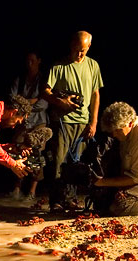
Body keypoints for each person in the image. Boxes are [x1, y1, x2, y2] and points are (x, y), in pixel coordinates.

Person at [42, 31, 103, 211]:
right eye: (76, 50)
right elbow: (45, 91)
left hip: (83, 122)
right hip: (63, 121)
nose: (79, 54)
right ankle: (57, 201)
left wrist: (93, 122)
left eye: (83, 51)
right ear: (71, 45)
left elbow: (95, 95)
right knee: (59, 161)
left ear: (89, 47)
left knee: (77, 163)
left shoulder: (93, 66)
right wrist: (60, 102)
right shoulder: (58, 66)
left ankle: (71, 198)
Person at [9, 51, 49, 201]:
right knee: (18, 151)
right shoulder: (20, 79)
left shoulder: (44, 80)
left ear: (39, 61)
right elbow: (13, 100)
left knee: (37, 154)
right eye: (28, 61)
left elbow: (44, 103)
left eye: (33, 60)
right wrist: (32, 101)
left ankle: (32, 191)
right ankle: (16, 188)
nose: (29, 63)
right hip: (22, 121)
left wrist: (25, 103)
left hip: (39, 122)